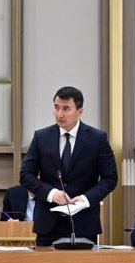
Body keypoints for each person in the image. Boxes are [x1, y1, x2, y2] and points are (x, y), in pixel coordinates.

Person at [20, 86, 118, 245]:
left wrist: (85, 199)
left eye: (66, 109)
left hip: (83, 222)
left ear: (80, 111)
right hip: (48, 224)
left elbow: (110, 178)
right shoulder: (41, 137)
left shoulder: (97, 139)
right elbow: (26, 175)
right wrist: (51, 193)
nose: (60, 114)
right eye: (56, 108)